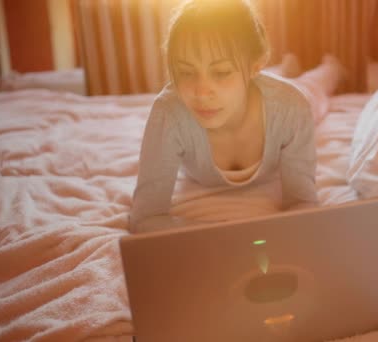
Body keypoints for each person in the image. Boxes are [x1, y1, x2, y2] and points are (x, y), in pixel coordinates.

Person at [130, 0, 344, 233]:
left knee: (314, 86)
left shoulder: (291, 107)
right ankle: (284, 66)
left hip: (287, 92)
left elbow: (302, 201)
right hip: (252, 83)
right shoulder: (169, 114)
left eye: (221, 73)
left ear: (256, 66)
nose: (201, 93)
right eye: (186, 72)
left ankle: (331, 67)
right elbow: (145, 216)